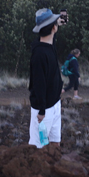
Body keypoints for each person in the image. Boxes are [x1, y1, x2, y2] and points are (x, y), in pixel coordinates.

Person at [28, 8, 65, 148]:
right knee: (38, 147)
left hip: (54, 103)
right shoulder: (39, 55)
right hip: (43, 110)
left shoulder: (48, 45)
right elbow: (39, 84)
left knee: (55, 142)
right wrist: (42, 111)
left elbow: (50, 37)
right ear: (53, 28)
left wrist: (57, 24)